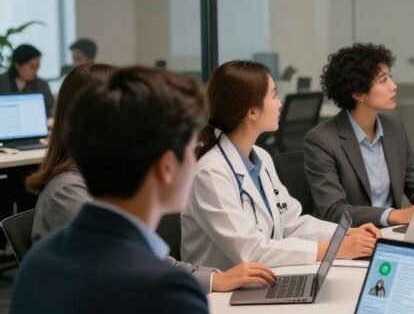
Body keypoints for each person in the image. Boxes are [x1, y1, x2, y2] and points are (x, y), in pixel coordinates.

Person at [6, 66, 389, 314]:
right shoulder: (156, 289)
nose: (199, 157)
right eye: (191, 147)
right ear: (166, 167)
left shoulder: (45, 259)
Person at [26, 63, 274, 294]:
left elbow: (140, 255)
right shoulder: (68, 190)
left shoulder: (112, 181)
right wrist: (212, 279)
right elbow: (131, 260)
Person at [182, 60, 380, 270]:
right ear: (252, 112)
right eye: (274, 96)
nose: (280, 104)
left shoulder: (261, 157)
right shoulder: (210, 173)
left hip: (263, 279)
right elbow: (252, 252)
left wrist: (346, 233)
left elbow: (292, 222)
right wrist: (335, 249)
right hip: (220, 294)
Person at [305, 43, 414, 226]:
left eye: (390, 77)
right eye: (383, 80)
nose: (393, 86)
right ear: (358, 93)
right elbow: (335, 210)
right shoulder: (322, 140)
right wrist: (395, 215)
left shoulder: (394, 128)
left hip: (392, 233)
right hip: (353, 239)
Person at [0, 43, 54, 115]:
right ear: (17, 65)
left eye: (37, 67)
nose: (35, 71)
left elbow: (50, 110)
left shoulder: (42, 85)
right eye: (32, 67)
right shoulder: (2, 82)